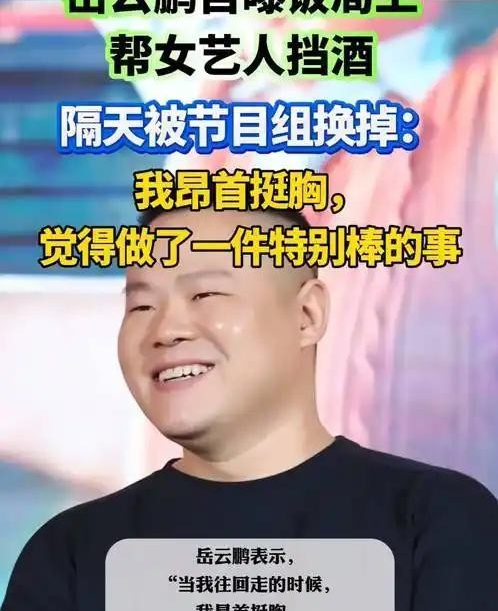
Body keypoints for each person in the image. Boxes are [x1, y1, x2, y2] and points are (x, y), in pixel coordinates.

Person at [2, 204, 498, 611]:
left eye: (206, 294)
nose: (165, 330)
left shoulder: (435, 519)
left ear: (306, 315)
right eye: (141, 306)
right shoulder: (71, 553)